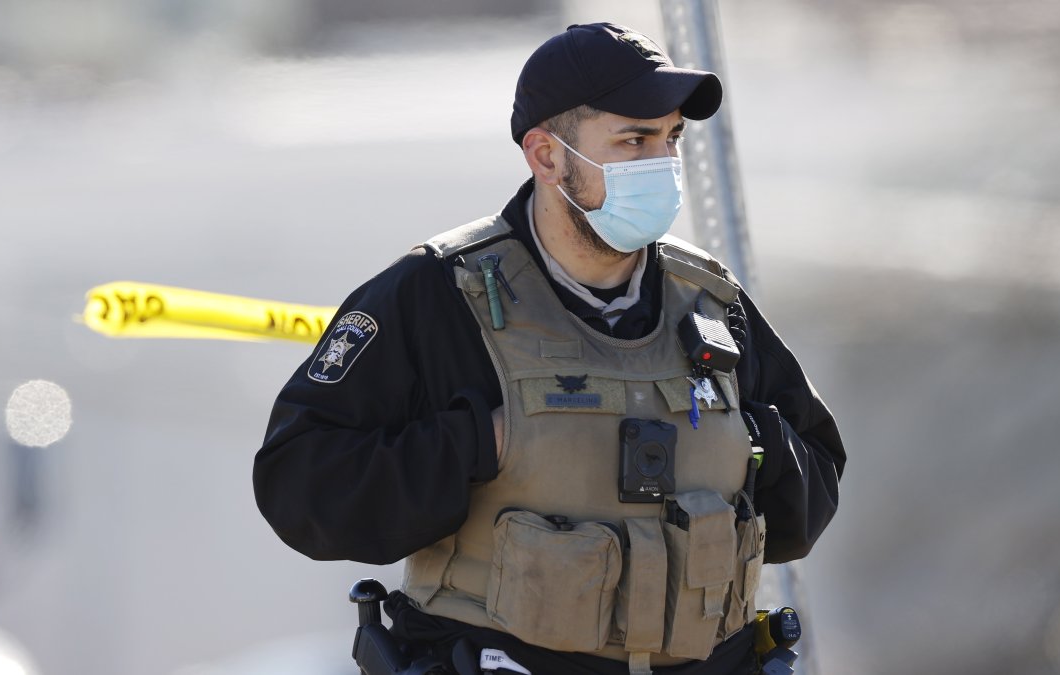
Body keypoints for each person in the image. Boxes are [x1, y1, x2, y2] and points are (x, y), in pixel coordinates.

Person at [253, 22, 845, 675]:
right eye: (633, 139)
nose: (662, 164)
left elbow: (814, 483)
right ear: (546, 155)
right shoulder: (437, 294)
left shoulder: (711, 300)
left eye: (671, 138)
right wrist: (477, 445)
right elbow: (298, 482)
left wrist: (746, 442)